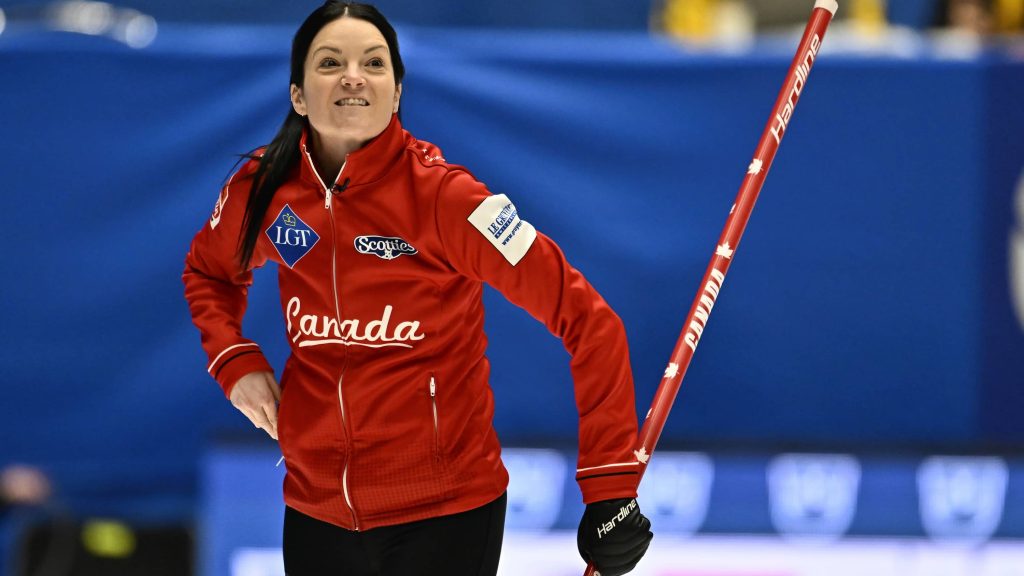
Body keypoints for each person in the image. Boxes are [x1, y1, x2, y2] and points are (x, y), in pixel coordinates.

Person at [182, 2, 652, 574]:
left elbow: (589, 321)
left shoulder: (447, 201)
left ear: (397, 92)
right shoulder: (263, 189)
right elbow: (209, 272)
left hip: (445, 514)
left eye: (373, 63)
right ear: (299, 95)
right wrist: (234, 360)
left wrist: (610, 487)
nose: (353, 75)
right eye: (330, 62)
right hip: (316, 511)